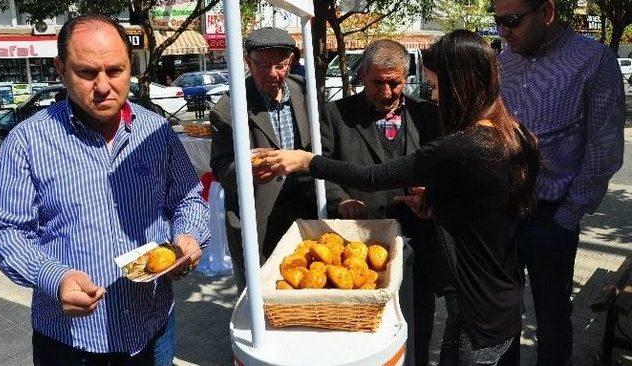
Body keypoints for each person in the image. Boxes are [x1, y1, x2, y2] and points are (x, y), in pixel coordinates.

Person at [264, 30, 540, 366]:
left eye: (437, 87)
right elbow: (484, 207)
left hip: (479, 309)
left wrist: (306, 160)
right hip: (500, 298)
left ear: (459, 86)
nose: (434, 96)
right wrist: (438, 202)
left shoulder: (461, 145)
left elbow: (371, 177)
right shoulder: (515, 134)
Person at [0, 14, 210, 366]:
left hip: (152, 330)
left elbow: (186, 199)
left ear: (131, 67)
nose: (104, 86)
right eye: (87, 73)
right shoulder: (27, 142)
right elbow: (6, 232)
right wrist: (56, 277)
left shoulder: (157, 132)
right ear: (61, 71)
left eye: (115, 70)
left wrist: (188, 236)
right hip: (70, 340)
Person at [495, 0, 625, 363]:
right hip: (502, 210)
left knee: (552, 318)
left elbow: (605, 149)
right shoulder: (505, 60)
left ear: (547, 12)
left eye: (512, 20)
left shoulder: (593, 60)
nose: (503, 31)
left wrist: (568, 214)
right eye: (498, 21)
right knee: (502, 312)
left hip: (550, 216)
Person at [320, 39, 441, 366]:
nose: (387, 92)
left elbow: (443, 167)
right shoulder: (336, 115)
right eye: (378, 83)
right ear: (362, 76)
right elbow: (319, 169)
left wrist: (430, 191)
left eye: (395, 82)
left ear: (405, 76)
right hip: (361, 241)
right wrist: (340, 198)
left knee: (418, 316)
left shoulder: (427, 114)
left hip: (418, 236)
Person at [209, 27, 317, 293]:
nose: (272, 73)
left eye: (279, 65)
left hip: (304, 212)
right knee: (262, 297)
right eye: (262, 65)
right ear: (248, 61)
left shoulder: (304, 92)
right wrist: (245, 169)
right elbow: (222, 167)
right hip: (258, 218)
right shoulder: (228, 107)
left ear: (290, 61)